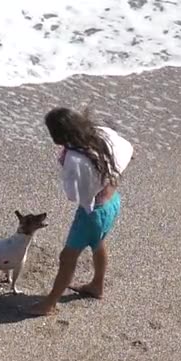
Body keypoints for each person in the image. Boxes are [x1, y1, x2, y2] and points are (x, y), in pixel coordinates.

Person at [29, 108, 133, 316]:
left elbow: (74, 194)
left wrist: (66, 162)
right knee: (98, 242)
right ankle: (97, 285)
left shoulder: (76, 159)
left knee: (67, 258)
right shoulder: (101, 133)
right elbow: (131, 150)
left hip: (92, 215)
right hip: (112, 203)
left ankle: (49, 304)